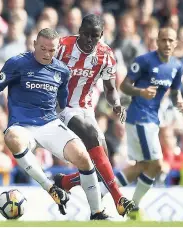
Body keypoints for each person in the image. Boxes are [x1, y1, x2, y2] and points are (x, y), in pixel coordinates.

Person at [0, 28, 108, 220]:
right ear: (34, 45)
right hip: (22, 125)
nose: (47, 54)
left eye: (52, 50)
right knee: (11, 137)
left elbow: (63, 102)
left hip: (49, 123)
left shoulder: (62, 71)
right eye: (43, 48)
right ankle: (51, 187)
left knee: (83, 156)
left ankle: (97, 213)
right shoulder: (17, 63)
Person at [53, 14, 134, 216]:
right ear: (79, 31)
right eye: (86, 34)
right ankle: (118, 198)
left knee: (101, 167)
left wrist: (116, 104)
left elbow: (109, 89)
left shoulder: (106, 56)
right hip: (61, 107)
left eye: (94, 36)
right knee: (90, 136)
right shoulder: (62, 46)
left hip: (85, 108)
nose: (89, 40)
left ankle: (64, 182)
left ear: (102, 35)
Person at [107, 27, 183, 219]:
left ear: (176, 43)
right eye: (163, 40)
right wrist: (140, 92)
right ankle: (132, 207)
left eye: (171, 40)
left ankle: (105, 192)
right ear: (157, 41)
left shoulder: (177, 67)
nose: (167, 44)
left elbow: (175, 93)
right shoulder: (144, 61)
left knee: (143, 166)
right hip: (139, 117)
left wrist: (180, 102)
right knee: (156, 164)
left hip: (152, 119)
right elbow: (124, 86)